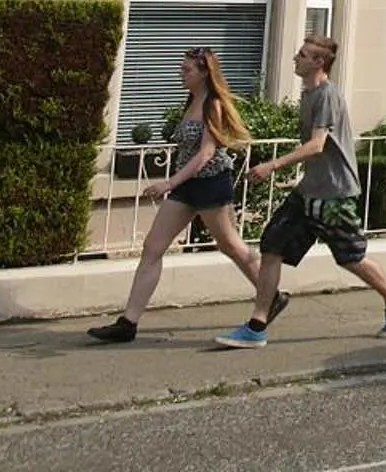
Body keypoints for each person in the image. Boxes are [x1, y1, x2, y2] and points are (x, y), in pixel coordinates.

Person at [215, 36, 386, 347]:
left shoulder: (327, 96)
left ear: (319, 63)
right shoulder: (309, 94)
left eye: (303, 55)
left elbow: (317, 145)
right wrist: (301, 180)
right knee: (272, 245)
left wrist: (272, 166)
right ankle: (257, 325)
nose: (296, 58)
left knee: (349, 257)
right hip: (309, 193)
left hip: (334, 194)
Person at [87, 48, 277, 343]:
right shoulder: (191, 100)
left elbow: (206, 153)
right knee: (153, 246)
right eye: (182, 68)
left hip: (211, 183)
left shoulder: (213, 104)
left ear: (204, 73)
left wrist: (169, 182)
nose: (181, 73)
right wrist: (176, 183)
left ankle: (270, 296)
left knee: (231, 246)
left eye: (187, 69)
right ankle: (128, 323)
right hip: (187, 186)